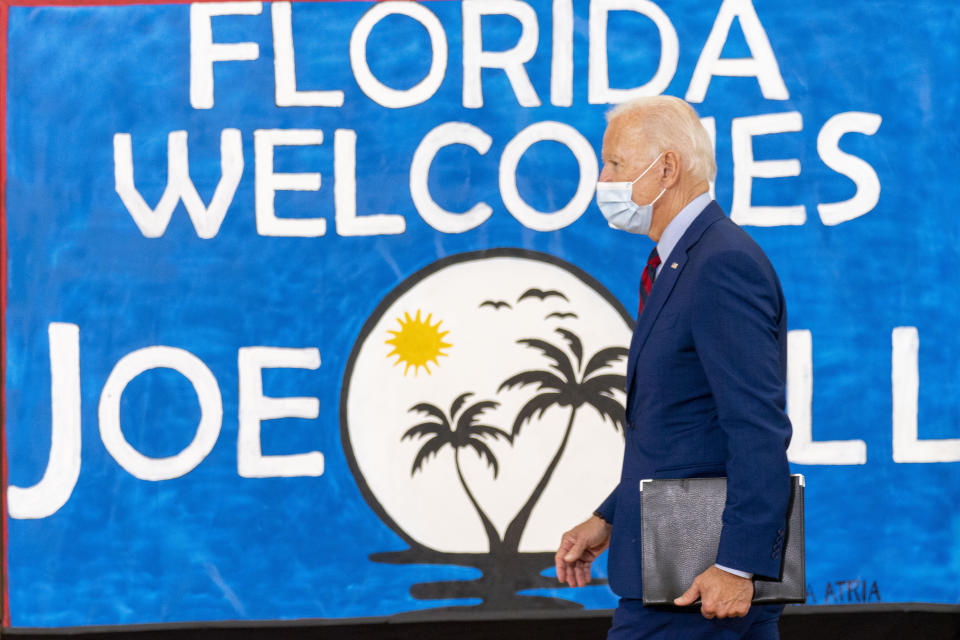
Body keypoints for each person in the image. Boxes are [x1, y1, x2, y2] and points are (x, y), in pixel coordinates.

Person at [555, 95, 792, 639]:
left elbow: (757, 428)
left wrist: (738, 566)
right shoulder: (684, 260)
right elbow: (686, 422)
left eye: (613, 163)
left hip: (699, 585)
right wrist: (612, 516)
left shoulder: (721, 263)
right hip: (676, 577)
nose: (602, 178)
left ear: (667, 167)